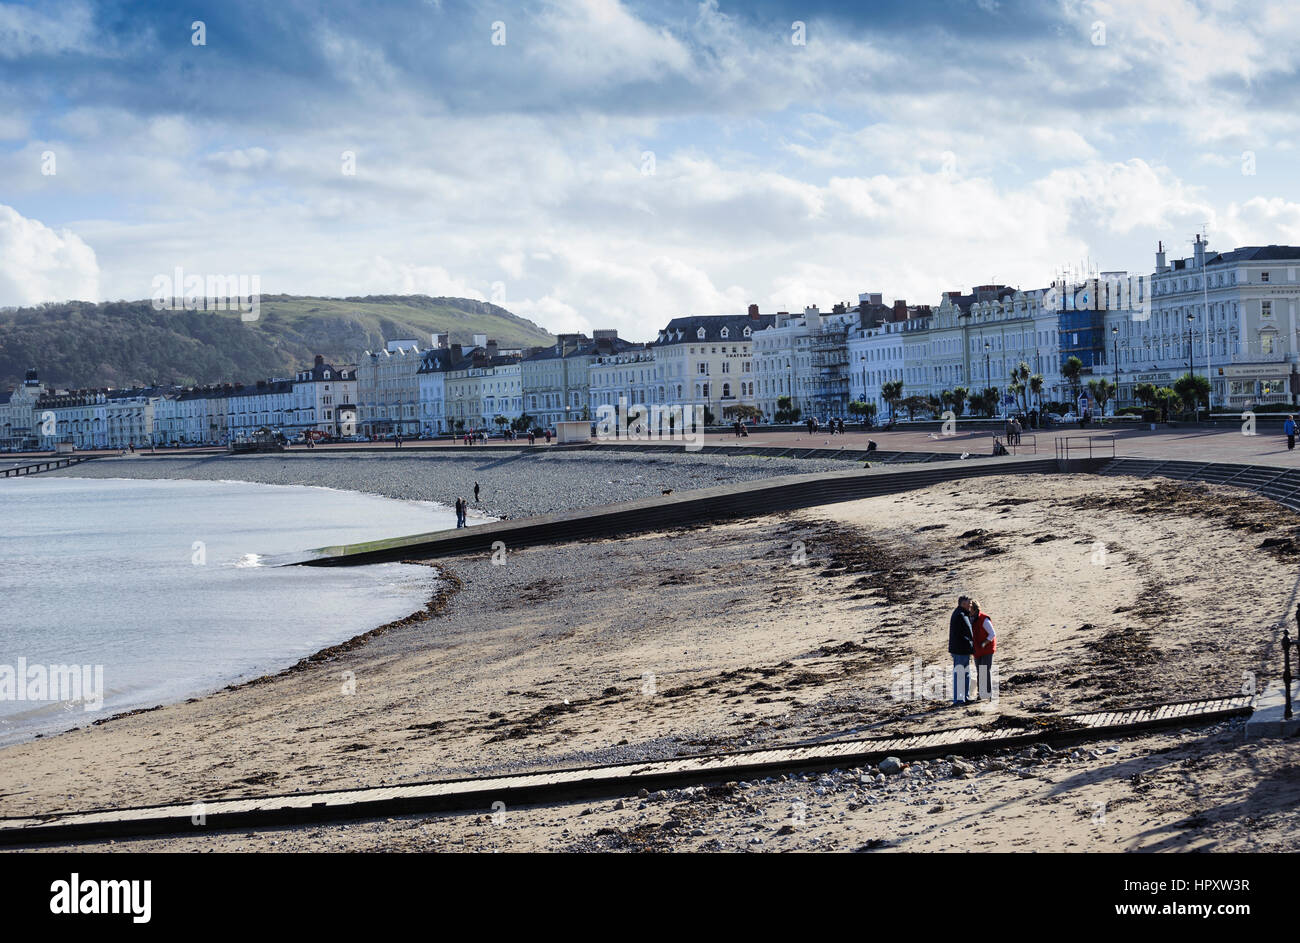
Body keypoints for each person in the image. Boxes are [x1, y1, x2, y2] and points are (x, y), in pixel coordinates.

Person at [948, 596, 975, 706]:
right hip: (960, 650)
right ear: (963, 604)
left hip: (962, 649)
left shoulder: (962, 614)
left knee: (966, 674)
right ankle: (959, 699)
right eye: (969, 603)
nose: (970, 606)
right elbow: (962, 635)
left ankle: (965, 697)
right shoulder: (960, 615)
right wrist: (970, 646)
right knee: (960, 674)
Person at [969, 599, 997, 701]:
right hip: (977, 649)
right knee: (979, 671)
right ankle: (981, 693)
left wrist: (985, 643)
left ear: (975, 609)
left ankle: (988, 693)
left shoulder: (984, 619)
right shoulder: (970, 619)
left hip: (987, 649)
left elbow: (992, 634)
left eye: (970, 608)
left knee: (985, 670)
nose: (969, 610)